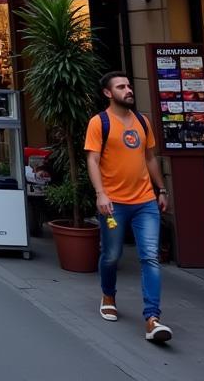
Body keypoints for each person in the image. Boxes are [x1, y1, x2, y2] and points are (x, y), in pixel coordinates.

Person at [86, 72, 172, 343]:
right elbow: (93, 159)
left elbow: (150, 158)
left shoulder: (143, 122)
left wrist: (162, 189)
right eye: (121, 87)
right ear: (108, 93)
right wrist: (101, 194)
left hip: (145, 201)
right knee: (112, 254)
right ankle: (108, 295)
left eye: (129, 85)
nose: (128, 90)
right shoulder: (99, 123)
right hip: (113, 203)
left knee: (149, 257)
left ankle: (152, 318)